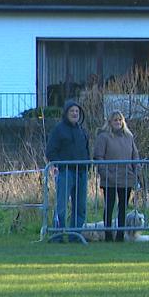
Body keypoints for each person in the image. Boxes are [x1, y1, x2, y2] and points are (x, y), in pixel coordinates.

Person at [92, 110, 140, 241]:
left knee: (123, 207)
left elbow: (135, 155)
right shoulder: (103, 137)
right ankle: (108, 234)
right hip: (110, 179)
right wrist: (105, 173)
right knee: (109, 206)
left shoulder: (129, 137)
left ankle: (120, 235)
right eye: (115, 120)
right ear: (110, 122)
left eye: (120, 120)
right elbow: (98, 156)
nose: (118, 122)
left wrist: (136, 172)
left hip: (126, 178)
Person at [45, 101, 90, 238]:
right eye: (72, 111)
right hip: (65, 173)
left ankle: (75, 236)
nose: (75, 113)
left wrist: (88, 165)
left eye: (77, 111)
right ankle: (57, 235)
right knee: (61, 207)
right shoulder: (58, 130)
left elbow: (86, 150)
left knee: (80, 207)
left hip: (82, 173)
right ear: (66, 113)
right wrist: (61, 165)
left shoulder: (82, 130)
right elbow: (50, 151)